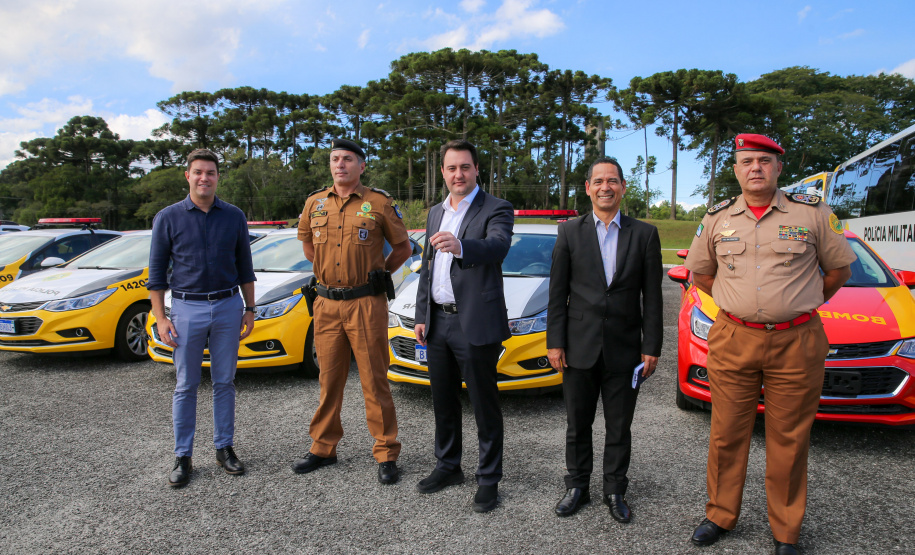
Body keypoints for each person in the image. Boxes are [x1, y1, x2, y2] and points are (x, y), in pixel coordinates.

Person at [685, 134, 854, 555]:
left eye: (764, 160)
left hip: (797, 340)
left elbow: (837, 272)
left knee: (789, 438)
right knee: (726, 433)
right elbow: (701, 274)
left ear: (779, 168)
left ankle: (786, 530)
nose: (755, 168)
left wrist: (796, 305)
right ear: (737, 170)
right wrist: (737, 306)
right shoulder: (718, 218)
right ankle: (720, 514)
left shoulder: (812, 213)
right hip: (734, 338)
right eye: (747, 161)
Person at [546, 156, 662, 522]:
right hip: (578, 346)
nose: (605, 187)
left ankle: (614, 490)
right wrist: (555, 341)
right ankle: (576, 486)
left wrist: (651, 346)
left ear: (623, 187)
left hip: (625, 349)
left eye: (613, 180)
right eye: (598, 181)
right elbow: (557, 292)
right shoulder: (569, 233)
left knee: (619, 426)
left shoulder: (644, 234)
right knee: (577, 424)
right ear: (588, 188)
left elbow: (653, 297)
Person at [293, 138, 412, 485]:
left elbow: (403, 247)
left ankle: (386, 452)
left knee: (374, 380)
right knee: (328, 380)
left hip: (366, 303)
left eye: (347, 159)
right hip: (327, 303)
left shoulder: (378, 202)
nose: (340, 164)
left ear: (361, 166)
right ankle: (322, 448)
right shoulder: (314, 203)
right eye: (334, 159)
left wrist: (378, 275)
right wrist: (330, 274)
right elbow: (307, 245)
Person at [412, 139, 514, 513]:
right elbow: (426, 268)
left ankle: (489, 479)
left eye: (465, 167)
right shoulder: (435, 212)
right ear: (443, 172)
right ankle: (448, 466)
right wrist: (423, 315)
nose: (459, 174)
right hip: (438, 322)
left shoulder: (496, 208)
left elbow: (498, 246)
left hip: (475, 322)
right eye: (452, 168)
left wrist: (462, 246)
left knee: (484, 404)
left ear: (476, 170)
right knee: (443, 400)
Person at [148, 148, 257, 488]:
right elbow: (156, 274)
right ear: (188, 176)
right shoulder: (168, 217)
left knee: (224, 382)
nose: (204, 178)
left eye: (210, 172)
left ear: (217, 177)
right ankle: (183, 456)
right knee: (186, 385)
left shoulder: (234, 216)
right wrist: (161, 318)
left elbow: (245, 267)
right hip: (186, 309)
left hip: (228, 307)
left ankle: (224, 448)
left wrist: (250, 309)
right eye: (198, 172)